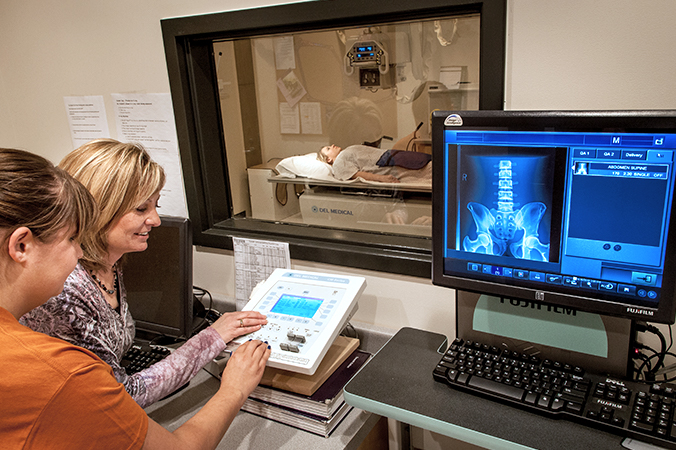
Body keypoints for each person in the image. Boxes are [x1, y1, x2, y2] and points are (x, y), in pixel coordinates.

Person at [0, 147, 271, 449]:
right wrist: (231, 381)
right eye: (141, 209)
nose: (155, 219)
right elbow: (119, 396)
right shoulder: (62, 298)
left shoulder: (110, 265)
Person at [318, 144, 432, 183]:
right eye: (328, 149)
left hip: (387, 155)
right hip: (385, 160)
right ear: (328, 160)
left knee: (424, 160)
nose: (332, 146)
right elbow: (358, 175)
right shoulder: (338, 163)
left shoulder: (344, 153)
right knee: (424, 163)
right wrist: (382, 178)